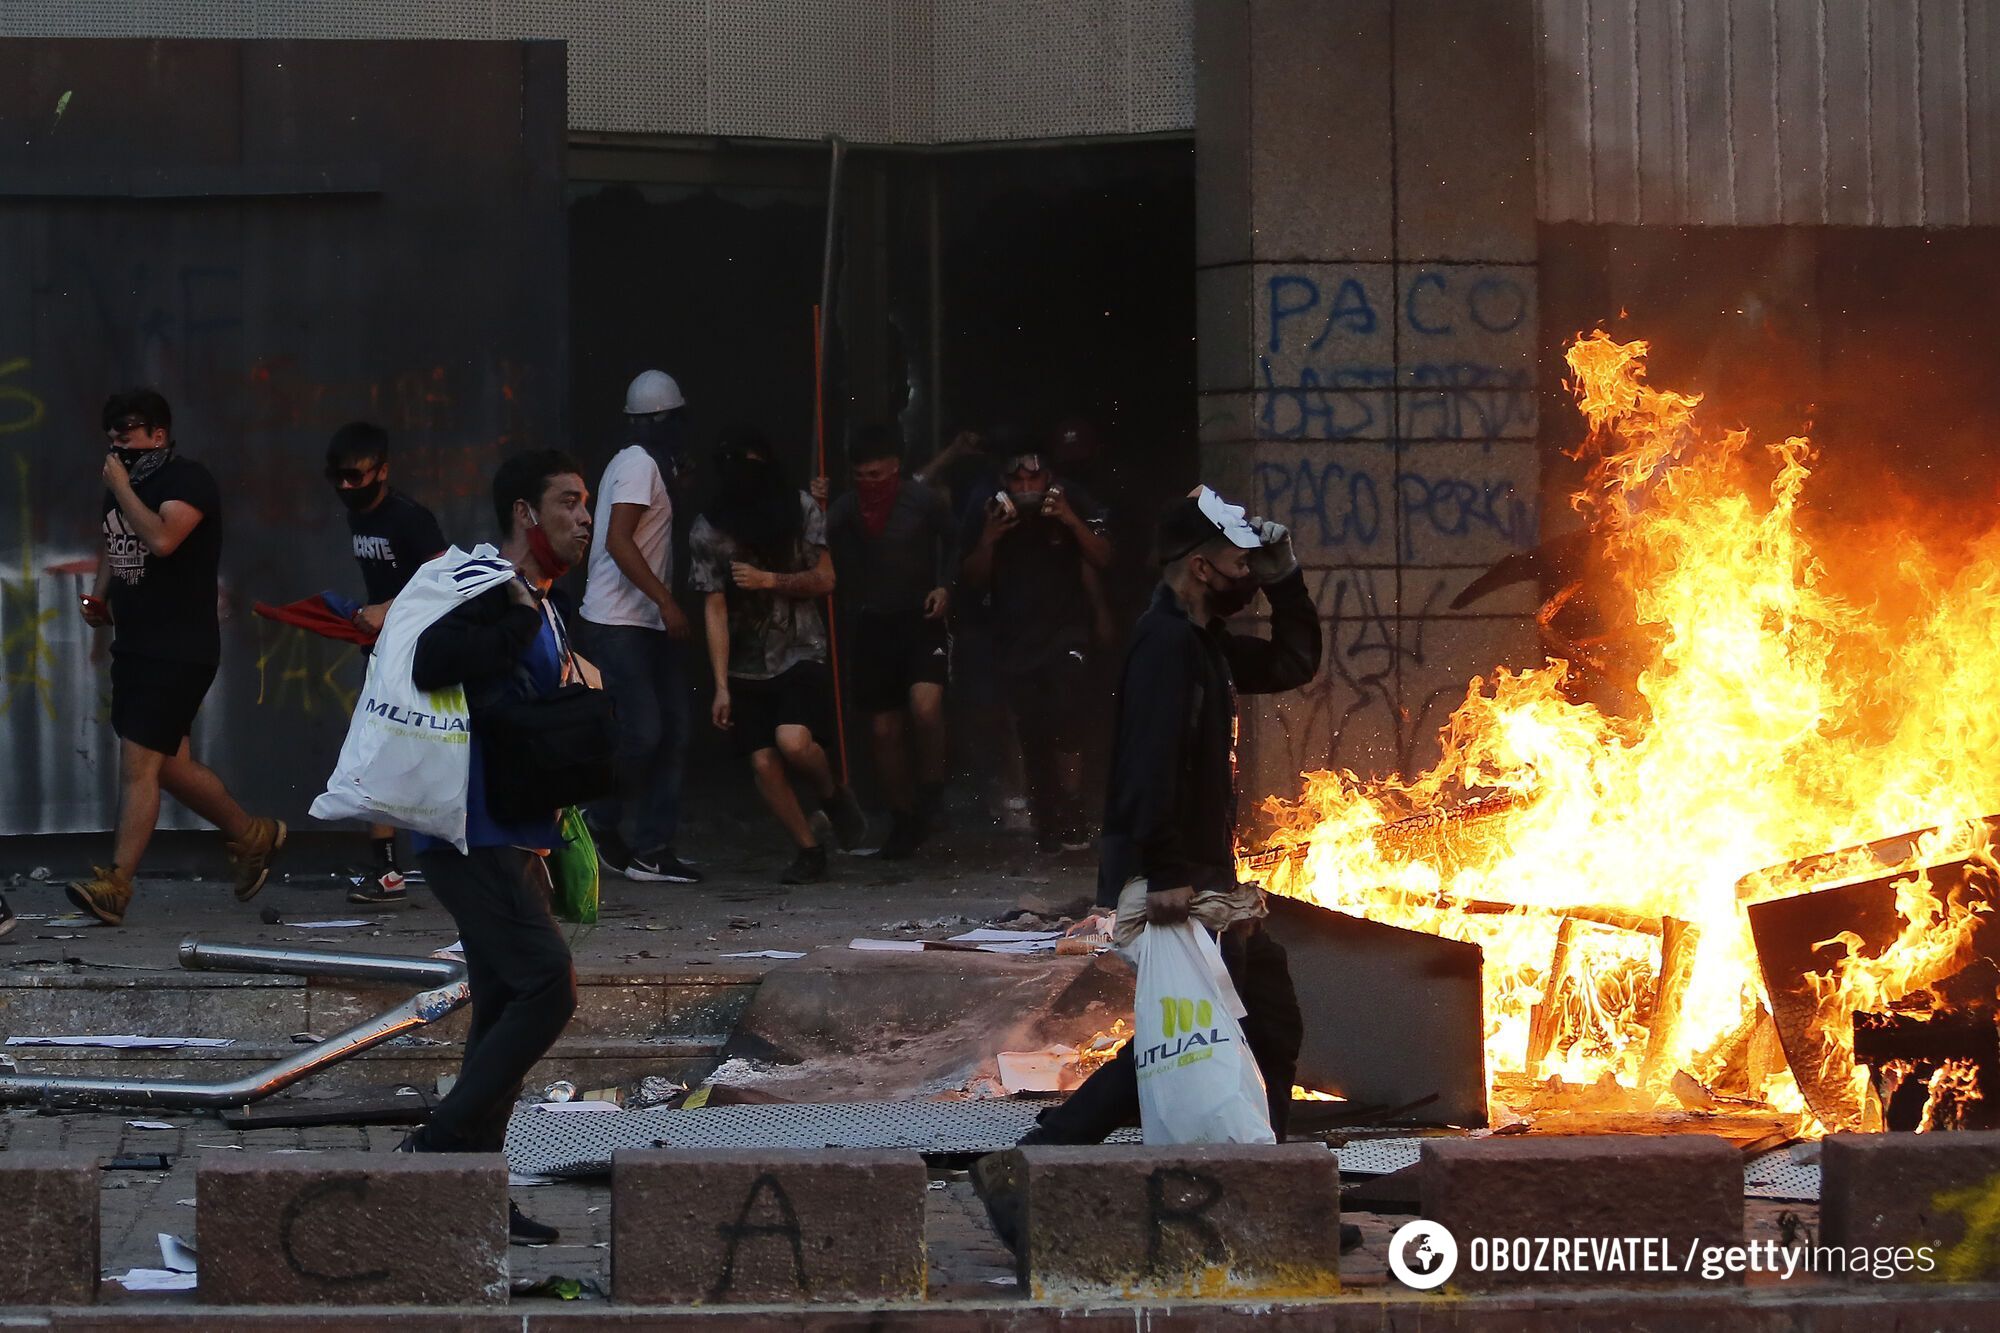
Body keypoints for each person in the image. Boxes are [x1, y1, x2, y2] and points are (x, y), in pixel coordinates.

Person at [974, 487, 1329, 1246]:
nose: (1248, 570)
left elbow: (1295, 660)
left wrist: (1286, 575)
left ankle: (1253, 1183)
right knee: (1205, 1031)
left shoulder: (1200, 640)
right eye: (1239, 561)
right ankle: (1251, 1194)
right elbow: (1143, 764)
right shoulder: (1165, 644)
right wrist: (1167, 874)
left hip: (1200, 870)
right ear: (1201, 568)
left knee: (1241, 1018)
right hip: (1177, 875)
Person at [394, 448, 591, 1245]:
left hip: (513, 834)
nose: (583, 518)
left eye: (587, 504)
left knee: (507, 998)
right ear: (524, 513)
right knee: (549, 984)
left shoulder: (541, 601)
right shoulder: (484, 583)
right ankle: (437, 1146)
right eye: (569, 502)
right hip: (465, 831)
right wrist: (512, 617)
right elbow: (430, 661)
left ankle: (471, 1192)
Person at [67, 389, 286, 926]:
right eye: (113, 431)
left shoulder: (187, 481)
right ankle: (252, 835)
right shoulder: (128, 488)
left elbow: (163, 539)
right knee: (171, 765)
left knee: (138, 765)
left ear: (159, 435)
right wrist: (100, 597)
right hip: (136, 643)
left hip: (177, 647)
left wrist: (120, 486)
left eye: (132, 429)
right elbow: (115, 543)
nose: (120, 440)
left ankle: (116, 885)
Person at [689, 431, 865, 883]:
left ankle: (832, 793)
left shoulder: (799, 508)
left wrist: (770, 581)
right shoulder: (709, 528)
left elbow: (826, 579)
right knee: (763, 762)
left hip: (799, 646)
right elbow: (714, 605)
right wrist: (721, 685)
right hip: (745, 661)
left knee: (793, 741)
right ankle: (808, 848)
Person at [577, 370, 700, 884]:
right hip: (621, 621)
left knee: (672, 731)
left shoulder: (648, 464)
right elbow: (619, 542)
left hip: (641, 621)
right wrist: (667, 601)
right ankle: (595, 822)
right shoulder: (636, 464)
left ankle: (652, 849)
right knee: (644, 732)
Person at [957, 447, 1112, 852]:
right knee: (1031, 725)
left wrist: (1069, 520)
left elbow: (1103, 556)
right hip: (1014, 633)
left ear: (1048, 479)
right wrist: (990, 538)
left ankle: (1073, 803)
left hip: (1066, 628)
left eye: (1033, 481)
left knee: (1067, 709)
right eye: (1017, 482)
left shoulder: (1072, 499)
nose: (1026, 489)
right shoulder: (988, 508)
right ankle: (1046, 812)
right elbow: (970, 578)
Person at [326, 420, 447, 905]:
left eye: (355, 476)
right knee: (376, 751)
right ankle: (387, 868)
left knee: (426, 754)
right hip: (383, 651)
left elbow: (445, 585)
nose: (345, 487)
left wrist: (387, 611)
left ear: (383, 471)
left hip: (421, 652)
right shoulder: (360, 518)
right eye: (337, 477)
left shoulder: (410, 520)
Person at [824, 425, 957, 858]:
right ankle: (904, 818)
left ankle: (933, 792)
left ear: (896, 468)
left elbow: (954, 538)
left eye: (877, 474)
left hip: (921, 619)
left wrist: (945, 585)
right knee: (883, 730)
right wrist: (817, 502)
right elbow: (816, 541)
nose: (869, 483)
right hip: (873, 624)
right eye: (861, 475)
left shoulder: (921, 500)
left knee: (926, 706)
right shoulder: (846, 508)